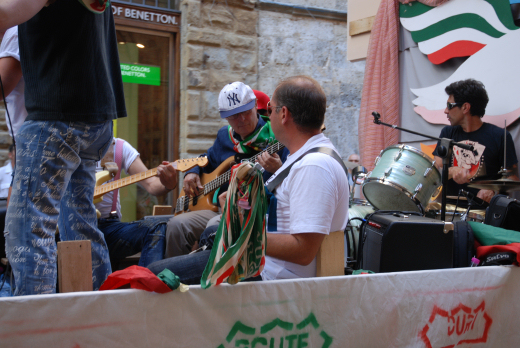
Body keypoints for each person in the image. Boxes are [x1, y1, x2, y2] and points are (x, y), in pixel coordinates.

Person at [149, 75, 349, 283]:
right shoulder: (302, 158)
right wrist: (240, 213)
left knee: (156, 275)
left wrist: (238, 231)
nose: (267, 116)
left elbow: (303, 251)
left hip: (268, 276)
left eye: (270, 109)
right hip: (260, 264)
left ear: (284, 114)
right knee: (176, 259)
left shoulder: (313, 166)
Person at [2, 1, 126, 295]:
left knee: (28, 230)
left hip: (56, 115)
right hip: (96, 117)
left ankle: (37, 330)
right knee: (79, 224)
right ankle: (100, 314)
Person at [164, 84, 288, 258]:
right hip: (218, 206)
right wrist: (191, 171)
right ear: (226, 118)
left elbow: (294, 176)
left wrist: (278, 169)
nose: (242, 119)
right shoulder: (224, 136)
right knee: (176, 225)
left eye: (246, 111)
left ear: (254, 106)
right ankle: (175, 277)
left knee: (214, 227)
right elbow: (205, 158)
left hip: (253, 210)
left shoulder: (277, 137)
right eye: (234, 116)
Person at [433, 79, 519, 203]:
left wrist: (494, 191)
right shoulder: (448, 133)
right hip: (451, 212)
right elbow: (434, 173)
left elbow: (513, 178)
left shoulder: (500, 136)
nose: (446, 111)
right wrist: (451, 171)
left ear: (465, 107)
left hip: (485, 214)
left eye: (450, 106)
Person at [96, 138, 177, 268]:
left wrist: (168, 184)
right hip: (70, 226)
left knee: (156, 227)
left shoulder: (119, 147)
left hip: (108, 228)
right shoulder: (65, 146)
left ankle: (146, 284)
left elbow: (151, 184)